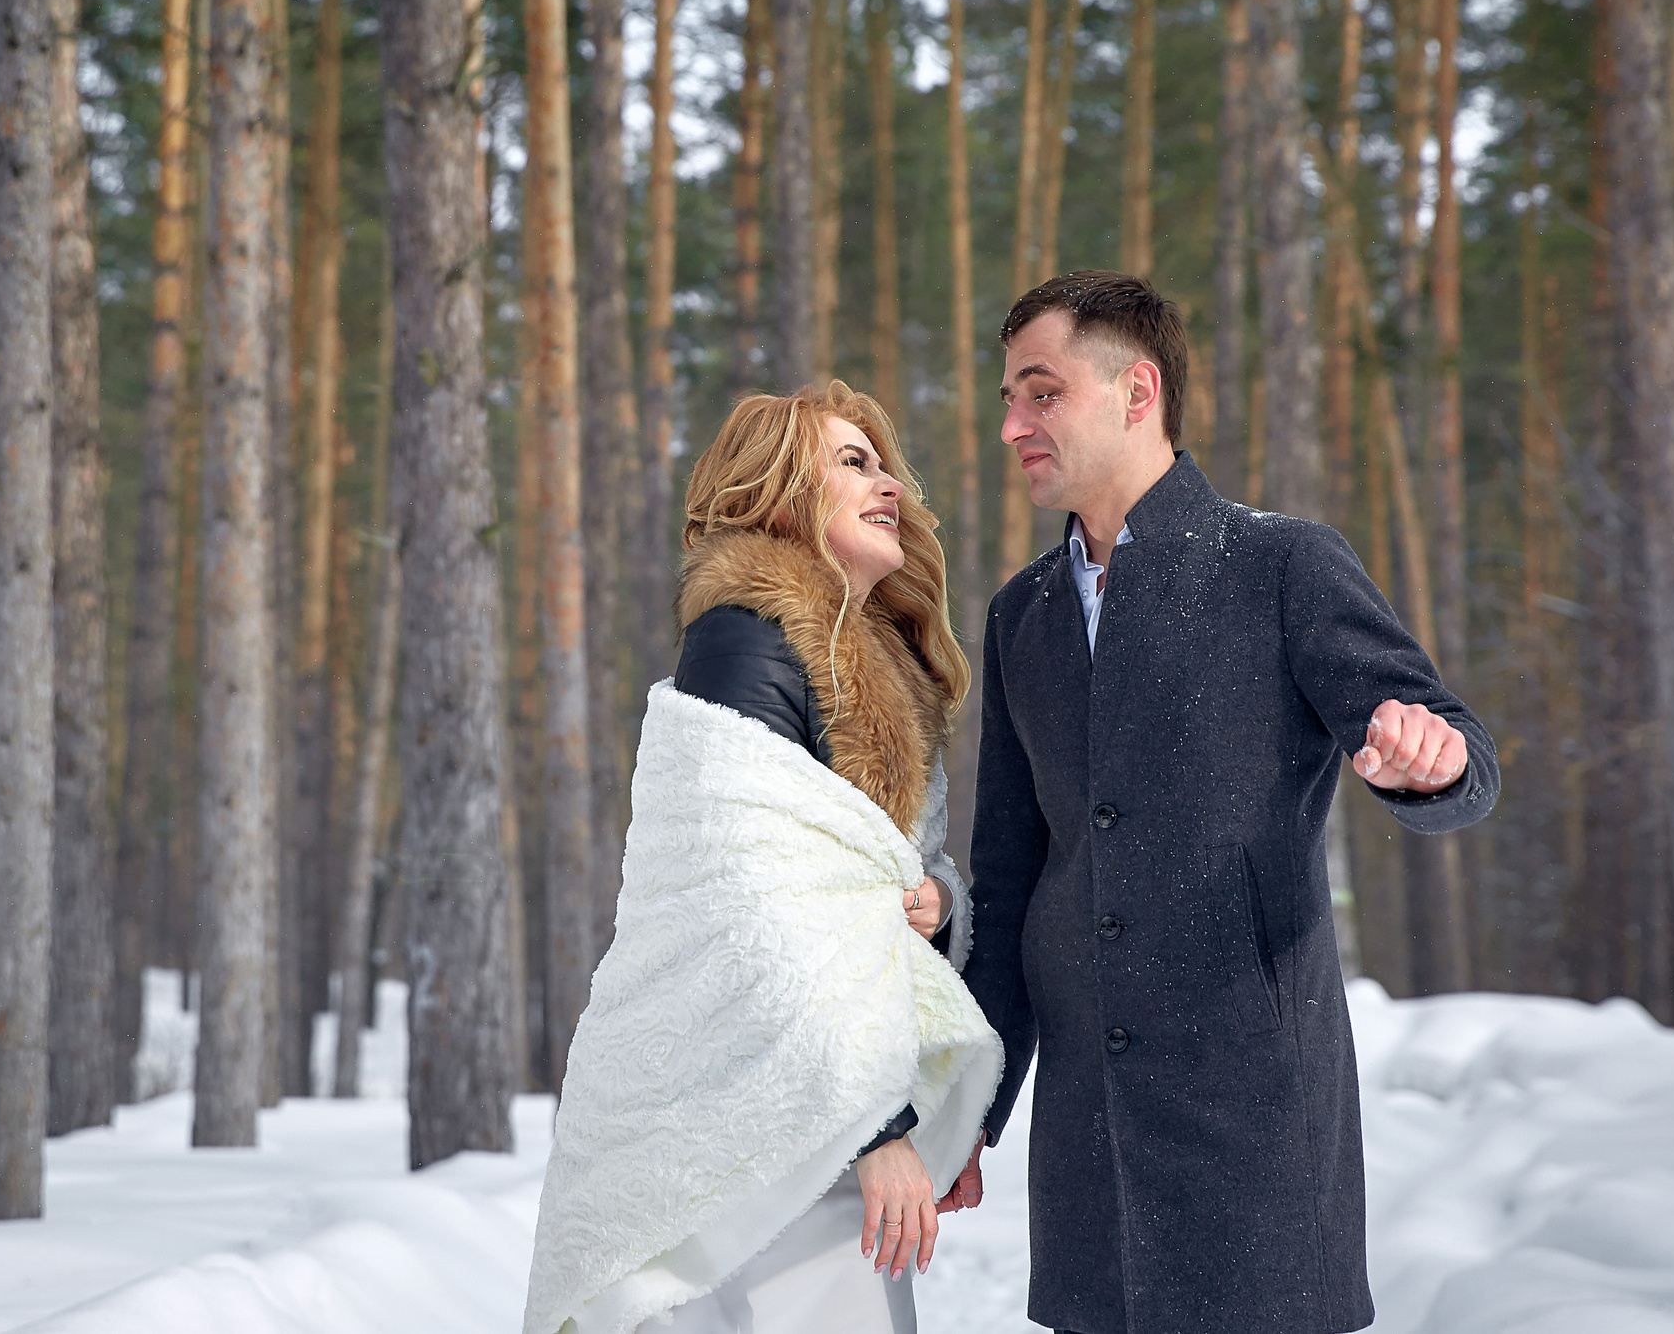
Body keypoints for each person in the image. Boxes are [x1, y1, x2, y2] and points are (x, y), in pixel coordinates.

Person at [950, 271, 1499, 1334]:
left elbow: (1454, 748)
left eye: (1041, 392)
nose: (1011, 425)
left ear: (1137, 391)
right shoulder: (1021, 614)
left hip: (1255, 1138)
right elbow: (1011, 881)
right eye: (1008, 398)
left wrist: (1429, 763)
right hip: (1088, 1159)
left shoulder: (1280, 565)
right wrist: (972, 1100)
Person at [522, 381, 1003, 1334]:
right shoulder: (745, 637)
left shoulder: (883, 665)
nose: (890, 485)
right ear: (782, 497)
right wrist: (879, 1129)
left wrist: (938, 902)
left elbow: (879, 873)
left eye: (887, 466)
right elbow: (750, 904)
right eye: (853, 463)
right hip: (744, 1124)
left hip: (819, 1106)